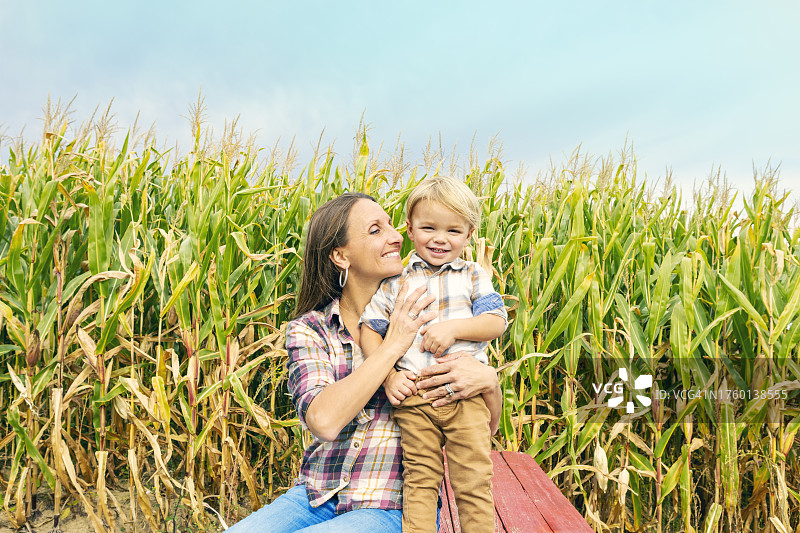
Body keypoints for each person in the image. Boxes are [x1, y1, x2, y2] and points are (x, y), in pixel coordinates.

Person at [225, 192, 502, 532]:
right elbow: (324, 422)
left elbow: (485, 428)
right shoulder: (311, 330)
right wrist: (393, 344)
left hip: (391, 505)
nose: (397, 235)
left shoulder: (434, 311)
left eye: (391, 225)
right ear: (341, 256)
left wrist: (489, 381)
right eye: (375, 230)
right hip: (316, 495)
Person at [360, 176, 506, 533]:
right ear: (409, 230)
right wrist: (389, 376)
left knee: (473, 482)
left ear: (470, 234)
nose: (440, 239)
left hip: (465, 395)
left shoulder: (474, 275)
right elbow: (369, 330)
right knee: (420, 480)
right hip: (415, 397)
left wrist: (454, 329)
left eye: (453, 231)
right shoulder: (394, 283)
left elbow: (496, 321)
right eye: (428, 227)